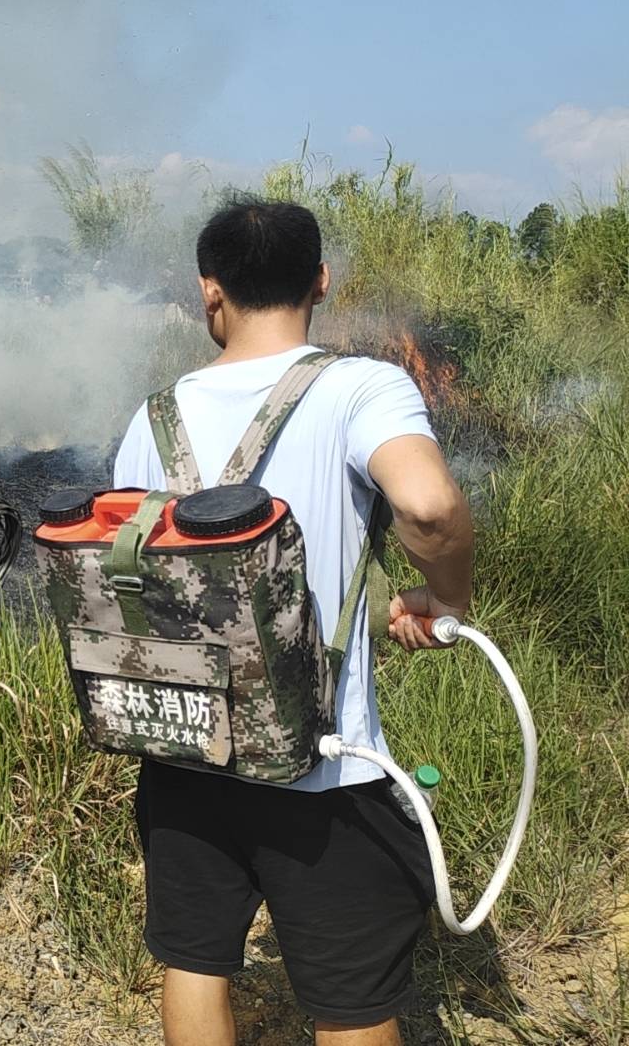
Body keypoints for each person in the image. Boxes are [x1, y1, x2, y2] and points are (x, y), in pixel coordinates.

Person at [111, 198, 475, 1046]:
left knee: (195, 961)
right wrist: (448, 600)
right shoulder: (360, 387)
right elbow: (427, 506)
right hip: (323, 774)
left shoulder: (153, 416)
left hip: (186, 753)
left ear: (211, 294)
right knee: (349, 1003)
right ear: (320, 281)